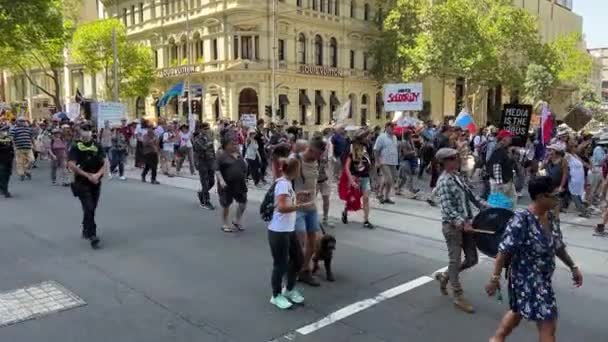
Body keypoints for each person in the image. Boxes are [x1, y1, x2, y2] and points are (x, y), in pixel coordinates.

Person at [485, 176, 583, 342]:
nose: (557, 199)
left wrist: (573, 267)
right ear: (540, 197)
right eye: (554, 196)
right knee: (548, 322)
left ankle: (497, 338)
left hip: (543, 278)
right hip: (526, 279)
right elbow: (503, 251)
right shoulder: (522, 219)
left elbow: (557, 246)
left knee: (517, 312)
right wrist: (494, 279)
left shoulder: (549, 217)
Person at [434, 147, 486, 313]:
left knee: (472, 259)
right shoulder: (443, 181)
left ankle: (446, 276)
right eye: (454, 158)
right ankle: (458, 295)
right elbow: (447, 208)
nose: (458, 160)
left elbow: (472, 196)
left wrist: (491, 209)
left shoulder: (457, 176)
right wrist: (461, 223)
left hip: (467, 224)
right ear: (446, 162)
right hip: (452, 227)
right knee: (455, 261)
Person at [267, 157, 311, 310]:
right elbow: (281, 208)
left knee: (297, 259)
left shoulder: (287, 183)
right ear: (294, 170)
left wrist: (298, 196)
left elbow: (287, 202)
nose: (300, 171)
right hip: (278, 231)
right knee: (280, 264)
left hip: (288, 230)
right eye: (299, 168)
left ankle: (289, 289)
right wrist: (302, 205)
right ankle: (276, 295)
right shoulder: (283, 184)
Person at [292, 136, 326, 287]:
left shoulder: (316, 161)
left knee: (312, 242)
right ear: (311, 150)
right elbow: (283, 181)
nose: (320, 157)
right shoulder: (295, 160)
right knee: (300, 240)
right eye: (318, 154)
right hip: (297, 208)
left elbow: (315, 182)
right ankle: (293, 270)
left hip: (311, 207)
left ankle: (305, 270)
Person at [67, 123, 106, 249]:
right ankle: (92, 235)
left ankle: (85, 227)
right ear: (80, 131)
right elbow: (71, 164)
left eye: (89, 130)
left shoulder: (97, 146)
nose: (87, 132)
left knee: (92, 208)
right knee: (89, 207)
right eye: (84, 130)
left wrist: (97, 175)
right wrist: (87, 175)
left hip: (95, 181)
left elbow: (105, 163)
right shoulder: (76, 146)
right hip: (81, 182)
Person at [343, 129, 374, 229]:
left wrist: (374, 177)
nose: (369, 138)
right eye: (367, 136)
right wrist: (351, 180)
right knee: (352, 198)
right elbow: (347, 166)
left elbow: (370, 162)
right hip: (356, 176)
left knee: (365, 198)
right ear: (361, 137)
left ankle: (366, 220)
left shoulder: (369, 147)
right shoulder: (354, 148)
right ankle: (345, 211)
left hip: (365, 176)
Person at [216, 138, 248, 233]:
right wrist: (221, 181)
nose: (235, 146)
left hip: (240, 183)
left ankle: (237, 220)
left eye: (236, 144)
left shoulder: (239, 155)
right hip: (227, 184)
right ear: (226, 146)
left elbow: (243, 167)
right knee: (226, 204)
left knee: (243, 202)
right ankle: (225, 223)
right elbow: (217, 169)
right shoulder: (222, 156)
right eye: (232, 144)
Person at [487, 129, 516, 207]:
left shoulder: (505, 149)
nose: (511, 139)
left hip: (506, 181)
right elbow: (496, 166)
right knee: (497, 206)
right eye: (509, 137)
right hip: (500, 183)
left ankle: (508, 217)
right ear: (504, 138)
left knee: (510, 201)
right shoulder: (498, 149)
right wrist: (499, 184)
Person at [374, 122, 399, 204]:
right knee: (389, 179)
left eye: (393, 127)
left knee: (387, 179)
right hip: (384, 161)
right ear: (386, 128)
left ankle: (384, 196)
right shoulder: (381, 137)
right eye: (390, 127)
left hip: (393, 161)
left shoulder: (395, 137)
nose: (392, 128)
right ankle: (382, 194)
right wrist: (377, 161)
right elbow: (376, 149)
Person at [192, 122, 216, 210]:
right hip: (202, 162)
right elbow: (202, 148)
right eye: (205, 129)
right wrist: (209, 143)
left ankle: (202, 193)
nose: (207, 130)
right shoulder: (197, 139)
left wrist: (214, 160)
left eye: (208, 128)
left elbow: (212, 149)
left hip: (210, 161)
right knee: (205, 182)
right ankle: (206, 201)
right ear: (200, 129)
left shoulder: (209, 137)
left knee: (212, 181)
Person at [10, 116, 35, 181]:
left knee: (32, 160)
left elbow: (31, 137)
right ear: (17, 122)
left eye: (23, 121)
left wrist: (34, 145)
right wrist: (13, 146)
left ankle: (26, 170)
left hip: (28, 147)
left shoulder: (28, 129)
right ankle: (21, 174)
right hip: (19, 148)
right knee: (20, 162)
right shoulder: (14, 129)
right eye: (20, 121)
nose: (22, 122)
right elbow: (12, 138)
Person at [396, 129, 418, 197]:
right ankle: (410, 191)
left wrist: (412, 144)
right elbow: (405, 153)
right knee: (409, 176)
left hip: (409, 160)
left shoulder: (409, 142)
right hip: (404, 160)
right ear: (407, 135)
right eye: (410, 135)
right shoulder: (404, 142)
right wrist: (413, 152)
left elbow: (413, 149)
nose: (411, 136)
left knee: (404, 178)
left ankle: (398, 189)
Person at [0, 125, 14, 198]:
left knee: (7, 176)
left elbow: (12, 150)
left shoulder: (9, 139)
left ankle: (4, 189)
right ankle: (5, 191)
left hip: (8, 161)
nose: (6, 131)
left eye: (7, 130)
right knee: (3, 176)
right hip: (1, 161)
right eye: (4, 130)